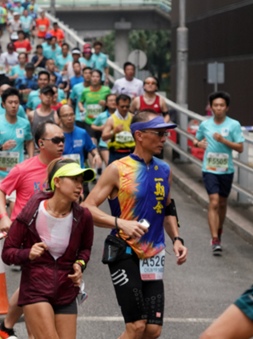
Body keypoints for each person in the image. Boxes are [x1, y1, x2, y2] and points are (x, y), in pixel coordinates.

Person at [84, 111, 188, 339]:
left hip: (153, 255)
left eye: (166, 133)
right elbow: (87, 208)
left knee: (153, 330)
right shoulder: (117, 169)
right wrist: (120, 222)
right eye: (159, 133)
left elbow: (168, 208)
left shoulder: (164, 169)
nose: (164, 138)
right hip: (124, 251)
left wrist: (177, 239)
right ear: (139, 135)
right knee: (136, 326)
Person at [2, 158, 94, 339]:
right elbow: (7, 252)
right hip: (35, 288)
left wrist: (80, 264)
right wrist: (28, 253)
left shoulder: (83, 216)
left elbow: (85, 249)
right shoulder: (32, 212)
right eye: (74, 179)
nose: (79, 186)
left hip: (66, 291)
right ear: (57, 182)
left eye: (81, 181)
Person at [0, 122, 65, 339]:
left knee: (33, 285)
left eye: (63, 139)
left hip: (56, 237)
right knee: (37, 287)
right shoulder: (23, 169)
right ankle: (31, 333)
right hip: (28, 239)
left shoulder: (66, 168)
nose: (62, 144)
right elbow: (0, 191)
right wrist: (3, 216)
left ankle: (5, 327)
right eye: (57, 140)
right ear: (41, 143)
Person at [192, 91, 244, 255]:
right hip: (209, 169)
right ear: (211, 107)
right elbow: (196, 139)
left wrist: (224, 141)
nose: (219, 108)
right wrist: (198, 143)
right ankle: (215, 239)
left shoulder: (234, 125)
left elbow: (240, 147)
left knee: (222, 203)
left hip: (226, 170)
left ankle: (219, 230)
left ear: (227, 107)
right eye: (216, 105)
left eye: (222, 105)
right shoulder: (205, 124)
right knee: (213, 202)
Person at [0, 87, 34, 194]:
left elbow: (29, 140)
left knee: (15, 207)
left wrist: (31, 159)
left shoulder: (25, 124)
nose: (13, 105)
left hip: (18, 174)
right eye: (10, 102)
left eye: (16, 102)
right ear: (3, 105)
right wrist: (0, 147)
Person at [58, 104, 101, 198]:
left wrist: (96, 154)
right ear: (59, 118)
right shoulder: (57, 135)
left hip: (80, 175)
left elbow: (91, 147)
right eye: (65, 116)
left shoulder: (82, 133)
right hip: (63, 177)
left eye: (72, 114)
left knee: (83, 204)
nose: (69, 118)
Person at [78, 69, 110, 143]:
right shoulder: (86, 90)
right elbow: (80, 102)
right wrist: (81, 107)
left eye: (97, 76)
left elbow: (112, 102)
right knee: (92, 143)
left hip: (103, 122)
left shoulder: (106, 90)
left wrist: (106, 103)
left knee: (103, 143)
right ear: (91, 78)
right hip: (89, 121)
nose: (95, 78)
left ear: (100, 78)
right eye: (93, 76)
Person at [102, 94, 135, 163]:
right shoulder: (111, 119)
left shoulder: (133, 118)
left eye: (127, 106)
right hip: (116, 154)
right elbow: (103, 137)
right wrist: (114, 131)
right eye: (122, 106)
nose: (125, 108)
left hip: (131, 154)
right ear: (116, 105)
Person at [91, 94, 117, 167]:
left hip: (119, 144)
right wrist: (99, 128)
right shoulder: (102, 115)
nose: (113, 102)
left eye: (115, 100)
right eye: (110, 100)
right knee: (110, 165)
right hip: (104, 144)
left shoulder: (122, 115)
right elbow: (92, 125)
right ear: (106, 103)